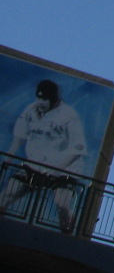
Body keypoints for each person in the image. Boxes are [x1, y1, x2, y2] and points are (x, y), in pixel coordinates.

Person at [4, 79, 87, 231]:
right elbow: (20, 135)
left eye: (45, 99)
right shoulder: (31, 109)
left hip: (63, 170)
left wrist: (54, 169)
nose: (40, 102)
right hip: (34, 165)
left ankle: (69, 235)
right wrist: (9, 156)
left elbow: (77, 150)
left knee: (62, 205)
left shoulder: (69, 116)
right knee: (7, 194)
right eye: (39, 97)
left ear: (54, 99)